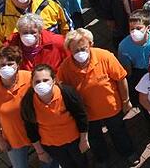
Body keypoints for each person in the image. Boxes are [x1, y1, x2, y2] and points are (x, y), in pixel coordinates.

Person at [57, 28, 139, 167]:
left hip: (111, 108)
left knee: (119, 131)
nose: (80, 53)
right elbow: (62, 90)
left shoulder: (105, 57)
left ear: (91, 44)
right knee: (94, 139)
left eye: (83, 48)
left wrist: (126, 101)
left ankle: (127, 152)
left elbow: (121, 78)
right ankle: (102, 159)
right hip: (87, 115)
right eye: (75, 50)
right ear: (69, 50)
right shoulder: (65, 68)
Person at [0, 46, 57, 168]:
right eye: (2, 64)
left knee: (50, 164)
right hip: (14, 138)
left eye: (10, 63)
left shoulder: (30, 78)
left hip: (41, 135)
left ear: (18, 64)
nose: (6, 67)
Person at [21, 63, 91, 167]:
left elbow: (81, 116)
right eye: (37, 82)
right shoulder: (28, 103)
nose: (41, 84)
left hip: (75, 141)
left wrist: (84, 140)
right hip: (53, 147)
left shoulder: (67, 93)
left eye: (45, 80)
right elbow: (31, 130)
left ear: (53, 80)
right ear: (32, 84)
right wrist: (40, 152)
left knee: (83, 164)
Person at [0, 0, 72, 51]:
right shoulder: (0, 17)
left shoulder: (48, 2)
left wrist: (68, 48)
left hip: (53, 55)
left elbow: (66, 25)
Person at [117, 10, 150, 107]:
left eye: (138, 28)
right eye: (132, 28)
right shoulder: (123, 46)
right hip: (138, 73)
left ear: (148, 28)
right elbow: (126, 69)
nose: (134, 32)